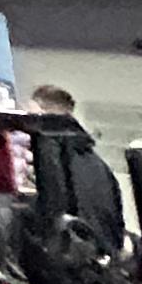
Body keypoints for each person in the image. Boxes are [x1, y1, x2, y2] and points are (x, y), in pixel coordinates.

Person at [28, 87, 131, 257]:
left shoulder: (48, 145)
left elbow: (54, 210)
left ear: (40, 112)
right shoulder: (99, 165)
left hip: (71, 260)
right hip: (101, 264)